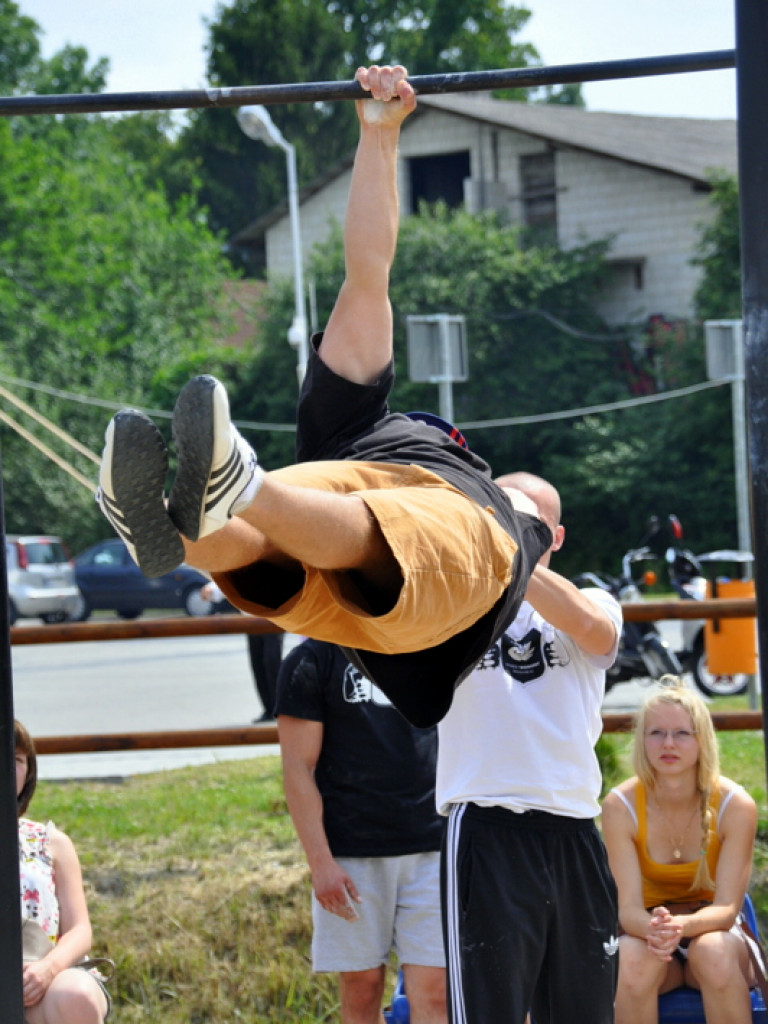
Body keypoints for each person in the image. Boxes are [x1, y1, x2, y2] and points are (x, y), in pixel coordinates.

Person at [94, 63, 552, 730]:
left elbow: (372, 276)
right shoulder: (353, 428)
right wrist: (378, 133)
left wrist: (531, 512)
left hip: (455, 592)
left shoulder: (495, 502)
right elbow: (367, 275)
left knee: (459, 515)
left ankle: (241, 485)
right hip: (337, 580)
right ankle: (178, 528)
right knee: (258, 543)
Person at [436, 471, 622, 1024]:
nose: (513, 532)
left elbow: (594, 632)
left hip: (573, 830)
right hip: (488, 825)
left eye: (530, 523)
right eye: (501, 517)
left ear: (556, 537)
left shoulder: (590, 597)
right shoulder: (455, 601)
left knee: (584, 1012)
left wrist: (516, 550)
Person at [275, 638, 447, 1024]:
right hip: (352, 855)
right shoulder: (311, 658)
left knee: (436, 992)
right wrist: (320, 864)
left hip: (432, 846)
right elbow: (297, 769)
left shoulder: (430, 643)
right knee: (362, 987)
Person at [601, 677, 759, 1024]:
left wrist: (679, 927)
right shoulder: (618, 806)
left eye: (682, 733)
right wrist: (657, 930)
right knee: (631, 962)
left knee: (713, 954)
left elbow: (728, 910)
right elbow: (627, 911)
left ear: (703, 740)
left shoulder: (736, 805)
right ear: (642, 740)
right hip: (647, 932)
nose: (667, 744)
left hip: (712, 929)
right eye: (655, 733)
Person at [16, 719, 111, 1024]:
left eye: (16, 760)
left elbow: (80, 930)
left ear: (28, 772)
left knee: (76, 995)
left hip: (44, 977)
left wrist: (48, 970)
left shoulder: (50, 842)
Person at [200, 579, 283, 721]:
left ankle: (280, 709)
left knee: (271, 660)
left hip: (272, 618)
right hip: (250, 621)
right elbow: (229, 577)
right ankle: (268, 709)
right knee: (257, 664)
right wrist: (210, 588)